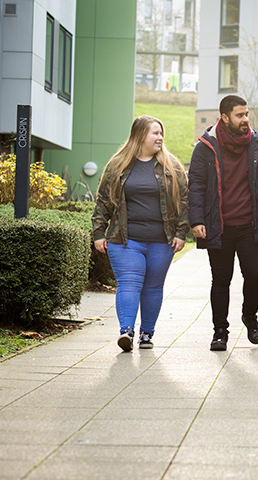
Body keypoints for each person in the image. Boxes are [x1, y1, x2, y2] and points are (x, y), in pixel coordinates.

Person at [188, 95, 258, 351]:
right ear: (225, 118)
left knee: (255, 276)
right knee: (221, 279)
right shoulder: (206, 147)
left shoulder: (257, 143)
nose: (245, 119)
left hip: (251, 225)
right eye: (240, 115)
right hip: (219, 226)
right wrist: (196, 220)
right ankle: (220, 331)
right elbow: (195, 187)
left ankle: (250, 318)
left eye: (247, 114)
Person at [92, 115, 189, 352]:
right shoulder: (118, 164)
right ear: (140, 136)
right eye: (155, 133)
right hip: (125, 239)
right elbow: (103, 200)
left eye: (161, 133)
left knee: (153, 287)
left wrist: (181, 232)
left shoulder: (171, 166)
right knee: (128, 284)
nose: (160, 137)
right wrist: (98, 232)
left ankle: (147, 333)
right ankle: (126, 331)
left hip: (161, 241)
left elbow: (185, 201)